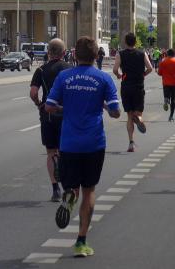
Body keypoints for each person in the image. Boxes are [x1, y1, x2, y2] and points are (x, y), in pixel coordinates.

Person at [45, 36, 120, 258]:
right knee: (89, 190)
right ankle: (81, 241)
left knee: (73, 186)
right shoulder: (104, 79)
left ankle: (69, 196)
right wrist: (103, 105)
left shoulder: (64, 77)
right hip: (93, 142)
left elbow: (49, 106)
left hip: (68, 143)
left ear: (75, 55)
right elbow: (116, 112)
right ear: (97, 55)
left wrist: (66, 108)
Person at [30, 38, 72, 202]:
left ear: (48, 52)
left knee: (50, 152)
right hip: (66, 114)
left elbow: (33, 93)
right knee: (65, 151)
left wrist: (39, 104)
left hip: (47, 114)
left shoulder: (41, 70)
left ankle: (55, 189)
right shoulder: (70, 69)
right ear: (64, 52)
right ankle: (67, 183)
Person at [112, 32, 153, 152]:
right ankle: (139, 118)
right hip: (138, 86)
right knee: (138, 112)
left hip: (126, 86)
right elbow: (150, 68)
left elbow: (115, 69)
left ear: (125, 42)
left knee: (129, 116)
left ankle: (131, 143)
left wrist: (119, 75)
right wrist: (143, 74)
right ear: (136, 42)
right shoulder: (142, 53)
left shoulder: (120, 54)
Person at [157, 48, 175, 122]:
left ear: (167, 54)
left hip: (165, 83)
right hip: (173, 83)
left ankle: (166, 99)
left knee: (166, 95)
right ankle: (171, 116)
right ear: (174, 55)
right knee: (173, 100)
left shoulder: (163, 62)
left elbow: (159, 73)